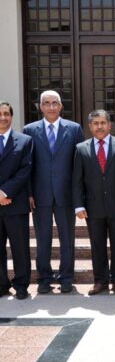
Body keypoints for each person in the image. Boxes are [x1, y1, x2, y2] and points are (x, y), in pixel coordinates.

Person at [23, 90, 84, 294]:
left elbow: (79, 164)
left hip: (66, 194)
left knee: (67, 239)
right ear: (40, 107)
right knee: (42, 239)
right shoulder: (29, 130)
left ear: (60, 105)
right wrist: (29, 193)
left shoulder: (74, 129)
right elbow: (26, 165)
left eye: (54, 103)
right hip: (40, 195)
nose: (51, 107)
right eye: (46, 103)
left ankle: (66, 278)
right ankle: (44, 279)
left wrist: (78, 195)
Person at [73, 110, 115, 295]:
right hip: (93, 207)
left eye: (103, 123)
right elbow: (77, 180)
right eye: (95, 123)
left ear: (109, 125)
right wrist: (78, 205)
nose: (99, 126)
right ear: (90, 127)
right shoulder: (81, 148)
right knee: (97, 244)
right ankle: (100, 280)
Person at [0, 102, 33, 300]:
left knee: (20, 248)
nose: (3, 117)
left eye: (6, 114)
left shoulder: (24, 141)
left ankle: (21, 285)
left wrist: (5, 192)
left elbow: (25, 169)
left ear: (11, 116)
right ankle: (1, 285)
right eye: (0, 114)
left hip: (16, 203)